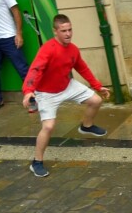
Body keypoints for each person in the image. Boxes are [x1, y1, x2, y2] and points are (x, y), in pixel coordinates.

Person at [22, 14, 110, 177]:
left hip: (67, 85)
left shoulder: (73, 49)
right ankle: (37, 162)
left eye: (70, 30)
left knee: (96, 100)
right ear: (55, 32)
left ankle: (86, 126)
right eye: (64, 31)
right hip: (46, 93)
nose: (68, 34)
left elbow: (82, 68)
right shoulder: (48, 49)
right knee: (48, 127)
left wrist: (98, 86)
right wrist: (28, 91)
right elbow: (35, 69)